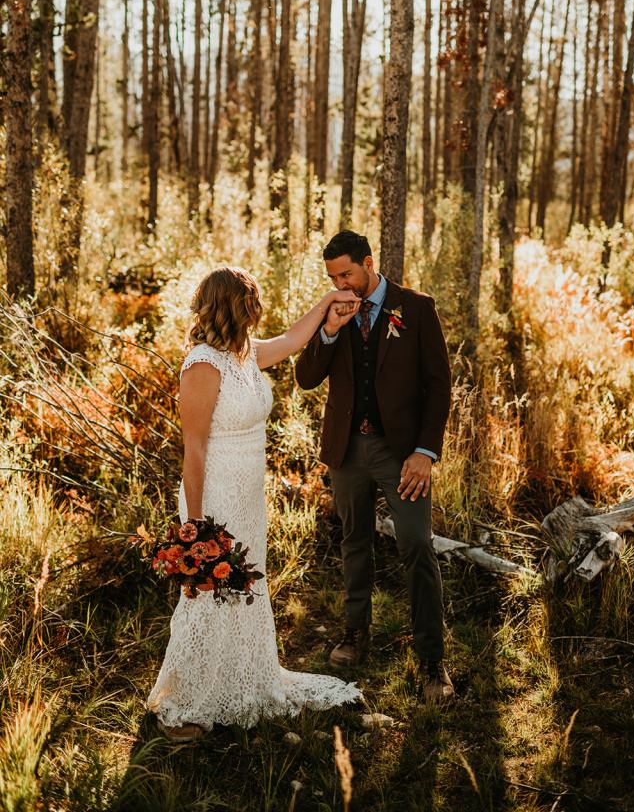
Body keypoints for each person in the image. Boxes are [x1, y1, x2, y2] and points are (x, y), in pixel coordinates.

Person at [147, 266, 364, 741]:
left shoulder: (244, 354)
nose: (257, 308)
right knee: (208, 592)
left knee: (244, 589)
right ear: (232, 305)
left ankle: (236, 680)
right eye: (251, 300)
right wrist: (196, 526)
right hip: (214, 496)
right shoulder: (202, 364)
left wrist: (329, 303)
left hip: (248, 496)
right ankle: (184, 707)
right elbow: (195, 449)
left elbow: (290, 340)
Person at [295, 231, 454, 703]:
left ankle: (432, 661)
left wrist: (425, 452)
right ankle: (355, 631)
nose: (341, 283)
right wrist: (329, 328)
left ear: (368, 262)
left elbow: (438, 385)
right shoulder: (336, 311)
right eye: (332, 277)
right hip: (347, 451)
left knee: (416, 546)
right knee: (353, 542)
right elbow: (306, 378)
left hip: (401, 453)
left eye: (346, 273)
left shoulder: (417, 308)